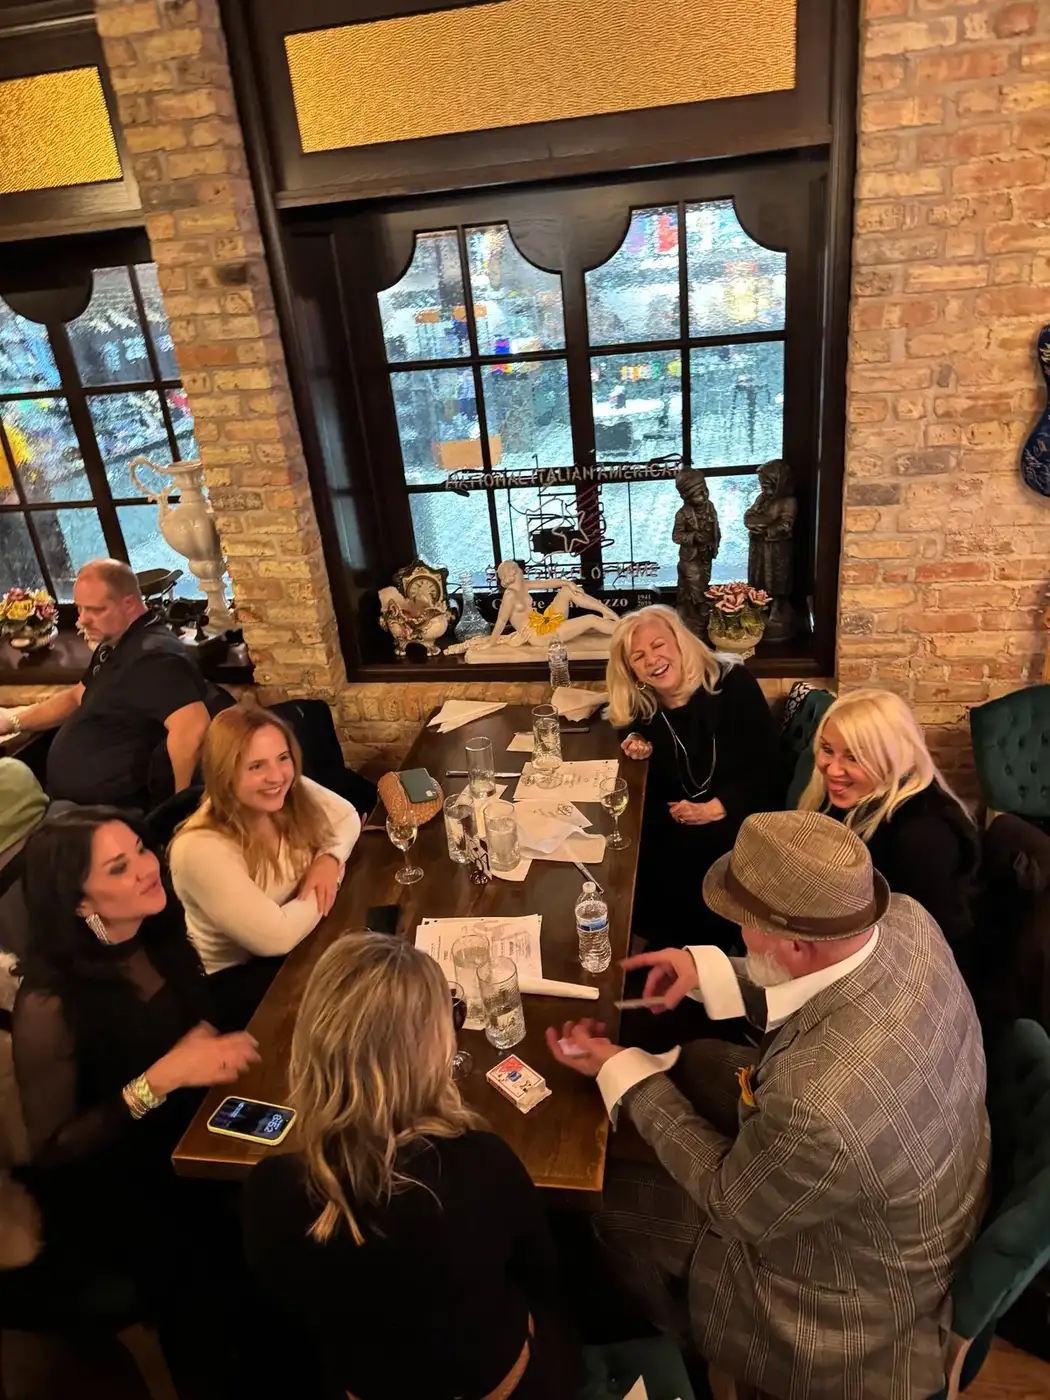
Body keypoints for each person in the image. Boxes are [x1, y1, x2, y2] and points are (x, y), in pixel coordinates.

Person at [547, 810, 990, 1400]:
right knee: (702, 1055)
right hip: (924, 1186)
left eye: (742, 927)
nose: (738, 934)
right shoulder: (905, 919)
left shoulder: (821, 1107)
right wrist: (701, 969)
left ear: (795, 944)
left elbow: (733, 1205)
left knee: (607, 1205)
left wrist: (622, 1073)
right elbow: (816, 975)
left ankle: (676, 1340)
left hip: (847, 1295)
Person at [242, 933, 577, 1400]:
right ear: (428, 1051)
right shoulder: (482, 1164)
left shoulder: (268, 1191)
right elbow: (543, 1273)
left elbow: (294, 1309)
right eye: (452, 1019)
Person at [11, 807, 259, 1387]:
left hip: (192, 1130)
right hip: (120, 1185)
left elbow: (196, 1029)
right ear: (80, 903)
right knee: (222, 1263)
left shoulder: (159, 934)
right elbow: (56, 1150)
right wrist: (164, 1077)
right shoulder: (49, 1005)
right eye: (120, 869)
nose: (149, 869)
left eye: (142, 851)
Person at [168, 706, 361, 1020]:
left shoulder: (286, 789)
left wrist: (328, 859)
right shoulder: (199, 849)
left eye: (283, 758)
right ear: (224, 772)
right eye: (256, 766)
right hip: (244, 983)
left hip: (303, 940)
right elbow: (277, 938)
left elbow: (348, 817)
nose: (276, 776)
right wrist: (334, 879)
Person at [607, 604, 779, 950]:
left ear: (680, 642)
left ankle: (699, 963)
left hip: (739, 819)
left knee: (659, 865)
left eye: (659, 645)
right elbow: (631, 732)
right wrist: (634, 739)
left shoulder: (732, 682)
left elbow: (770, 769)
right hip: (678, 823)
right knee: (622, 851)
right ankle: (650, 954)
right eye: (638, 657)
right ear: (633, 672)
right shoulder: (646, 708)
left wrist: (719, 807)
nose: (652, 660)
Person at [0, 560, 214, 812]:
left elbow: (193, 731)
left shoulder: (155, 656)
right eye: (79, 609)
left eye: (95, 610)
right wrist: (13, 722)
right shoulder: (113, 643)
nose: (82, 620)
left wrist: (181, 812)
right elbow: (76, 697)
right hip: (71, 802)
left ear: (129, 603)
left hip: (114, 812)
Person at [798, 687, 979, 955]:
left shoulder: (922, 836)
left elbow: (924, 948)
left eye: (853, 757)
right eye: (827, 749)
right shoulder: (849, 798)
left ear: (892, 758)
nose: (832, 769)